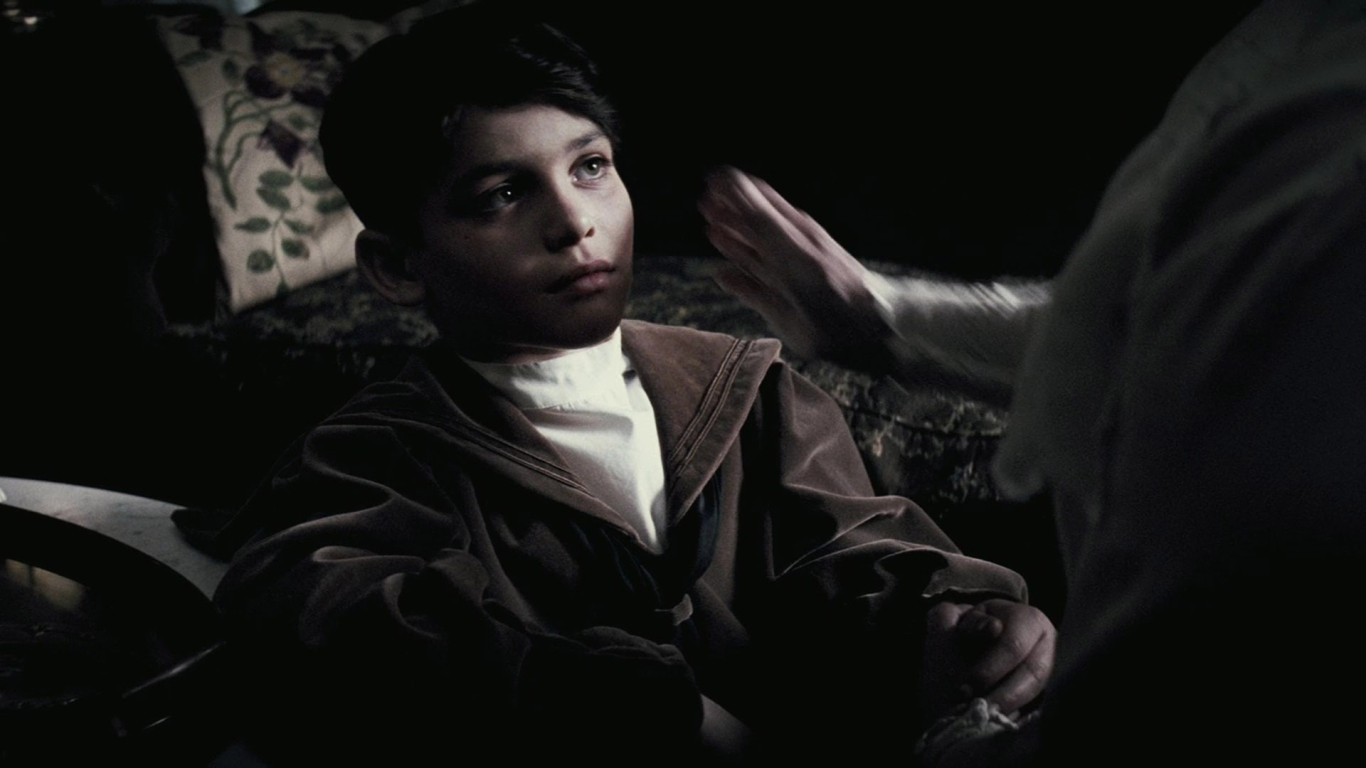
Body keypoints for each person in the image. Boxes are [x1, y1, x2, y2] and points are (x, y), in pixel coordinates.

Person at [207, 5, 1055, 765]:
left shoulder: (751, 390)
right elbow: (321, 610)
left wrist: (950, 622)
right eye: (503, 194)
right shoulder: (382, 453)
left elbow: (853, 550)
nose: (574, 222)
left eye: (590, 167)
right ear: (397, 266)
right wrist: (635, 703)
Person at [700, 0, 1366, 762]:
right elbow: (1170, 316)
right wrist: (885, 318)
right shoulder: (1311, 56)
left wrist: (953, 677)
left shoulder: (1329, 154)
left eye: (597, 165)